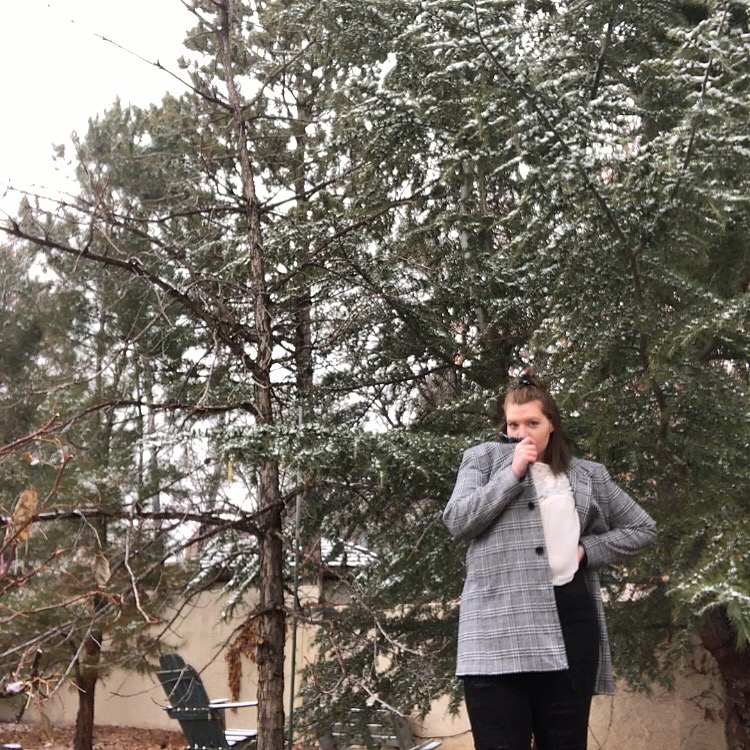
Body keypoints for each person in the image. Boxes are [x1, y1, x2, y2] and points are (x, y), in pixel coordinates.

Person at [443, 370, 656, 750]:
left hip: (569, 623)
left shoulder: (587, 475)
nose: (522, 433)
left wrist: (587, 551)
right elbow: (459, 520)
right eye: (513, 424)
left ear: (552, 424)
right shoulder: (482, 460)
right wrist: (512, 473)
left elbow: (642, 527)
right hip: (496, 629)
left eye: (532, 423)